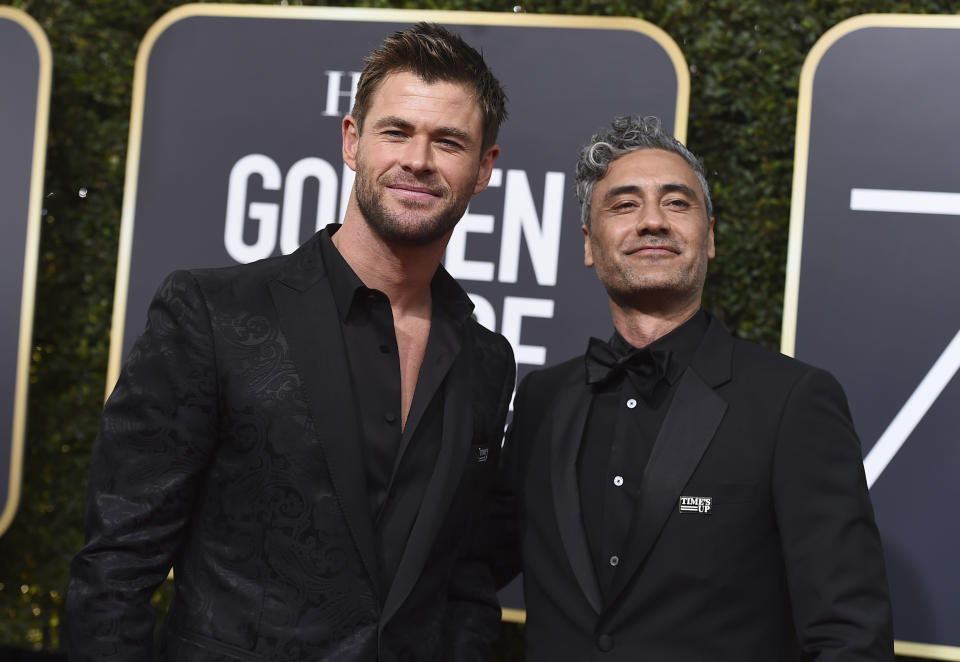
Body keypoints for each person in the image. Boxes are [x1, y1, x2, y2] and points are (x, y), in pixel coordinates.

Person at [67, 23, 514, 661]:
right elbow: (116, 565)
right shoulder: (212, 314)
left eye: (449, 141)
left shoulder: (486, 360)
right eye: (396, 131)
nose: (418, 159)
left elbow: (464, 574)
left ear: (482, 170)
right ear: (352, 141)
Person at [494, 115, 893, 660]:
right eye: (624, 204)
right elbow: (468, 564)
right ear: (589, 244)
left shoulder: (793, 403)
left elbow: (850, 635)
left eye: (677, 203)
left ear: (709, 239)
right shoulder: (542, 401)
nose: (652, 221)